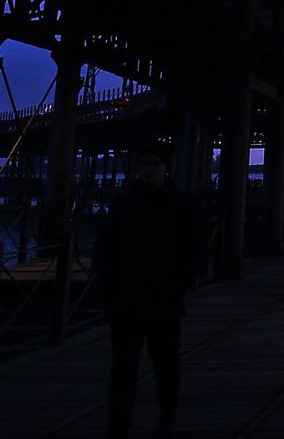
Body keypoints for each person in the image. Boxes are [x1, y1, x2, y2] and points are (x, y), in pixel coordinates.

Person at [95, 143, 203, 438]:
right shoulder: (124, 205)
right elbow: (105, 248)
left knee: (166, 366)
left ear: (167, 169)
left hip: (164, 301)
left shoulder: (183, 205)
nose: (148, 170)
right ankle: (118, 426)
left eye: (155, 164)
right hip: (126, 301)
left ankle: (167, 415)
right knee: (122, 370)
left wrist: (181, 285)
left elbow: (194, 250)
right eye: (144, 164)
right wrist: (107, 289)